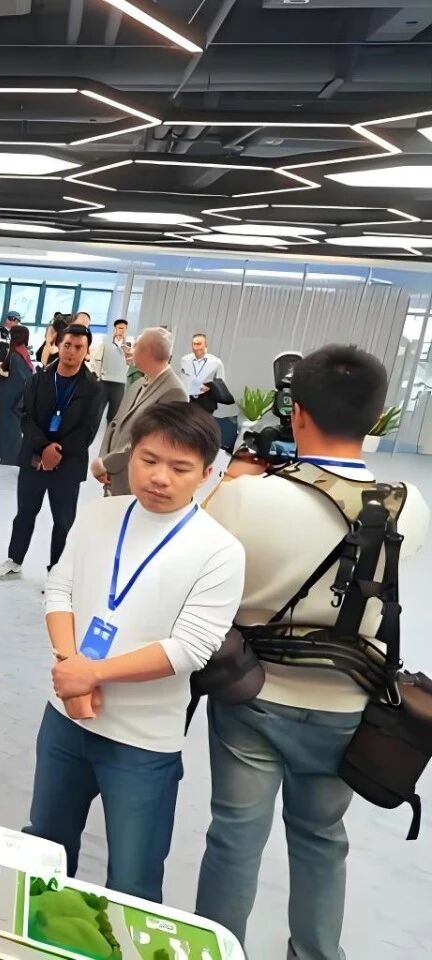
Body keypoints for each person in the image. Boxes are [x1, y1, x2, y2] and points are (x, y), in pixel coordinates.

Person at [195, 345, 429, 960]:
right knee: (323, 839)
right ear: (376, 418)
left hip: (253, 694)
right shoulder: (411, 504)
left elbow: (199, 560)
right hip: (349, 704)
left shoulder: (248, 497)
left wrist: (234, 480)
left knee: (234, 841)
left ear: (295, 413)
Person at [27, 402, 245, 901]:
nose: (160, 478)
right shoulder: (100, 514)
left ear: (206, 474)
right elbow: (60, 589)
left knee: (133, 879)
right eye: (148, 460)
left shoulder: (219, 551)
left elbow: (189, 648)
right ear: (131, 455)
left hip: (143, 741)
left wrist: (92, 674)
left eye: (180, 468)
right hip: (66, 720)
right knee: (44, 852)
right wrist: (71, 668)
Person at [0, 324, 101, 579]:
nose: (71, 351)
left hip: (68, 464)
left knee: (63, 521)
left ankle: (57, 571)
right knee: (25, 513)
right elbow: (26, 416)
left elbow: (87, 431)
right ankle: (14, 559)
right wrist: (44, 447)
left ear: (87, 351)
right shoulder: (39, 378)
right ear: (58, 345)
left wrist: (57, 452)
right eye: (67, 345)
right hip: (35, 459)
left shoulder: (93, 388)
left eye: (78, 347)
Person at [93, 328, 188, 497]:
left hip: (135, 481)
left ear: (147, 352)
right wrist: (103, 460)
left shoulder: (174, 391)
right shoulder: (139, 383)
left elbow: (151, 442)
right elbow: (116, 423)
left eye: (135, 346)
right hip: (113, 476)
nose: (130, 350)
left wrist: (107, 464)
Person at [0, 325, 35, 465]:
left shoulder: (16, 354)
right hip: (10, 393)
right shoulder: (21, 351)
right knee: (0, 421)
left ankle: (12, 456)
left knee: (10, 424)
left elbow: (15, 375)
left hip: (11, 395)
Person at [90, 318, 132, 425]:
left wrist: (126, 349)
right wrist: (98, 375)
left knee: (114, 414)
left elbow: (131, 362)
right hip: (104, 381)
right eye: (120, 328)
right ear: (115, 329)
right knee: (96, 412)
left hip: (120, 383)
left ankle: (110, 433)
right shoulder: (105, 341)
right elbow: (96, 359)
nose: (122, 331)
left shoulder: (130, 344)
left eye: (125, 329)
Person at [180, 332, 225, 404]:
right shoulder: (184, 360)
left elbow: (221, 384)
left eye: (199, 344)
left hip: (205, 400)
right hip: (186, 399)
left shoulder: (216, 362)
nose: (195, 347)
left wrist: (209, 389)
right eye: (194, 344)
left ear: (206, 345)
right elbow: (182, 379)